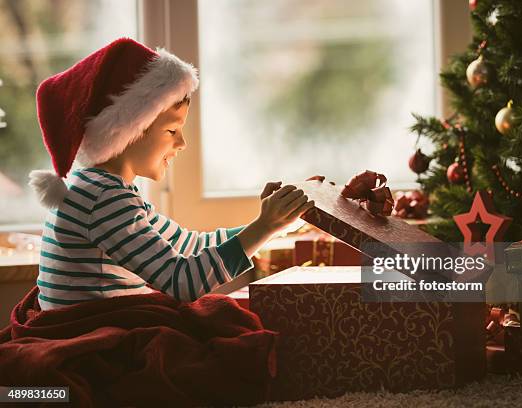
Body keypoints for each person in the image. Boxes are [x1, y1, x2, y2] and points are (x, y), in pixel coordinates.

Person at [28, 38, 313, 311]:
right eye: (171, 131)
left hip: (100, 326)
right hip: (97, 341)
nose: (181, 143)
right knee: (227, 324)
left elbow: (191, 246)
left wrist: (272, 226)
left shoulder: (100, 188)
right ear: (128, 130)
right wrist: (261, 228)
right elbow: (182, 282)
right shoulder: (104, 197)